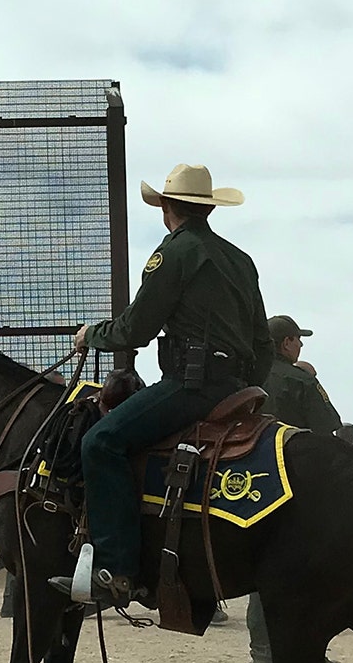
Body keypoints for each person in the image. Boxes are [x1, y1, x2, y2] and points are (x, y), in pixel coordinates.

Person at [47, 164, 271, 611]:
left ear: (167, 208)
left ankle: (117, 569)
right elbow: (262, 343)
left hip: (192, 386)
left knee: (101, 442)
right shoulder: (240, 260)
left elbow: (136, 328)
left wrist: (90, 335)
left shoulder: (174, 253)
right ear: (206, 208)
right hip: (236, 388)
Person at [247, 315, 343, 663]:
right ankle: (305, 652)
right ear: (286, 344)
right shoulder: (299, 379)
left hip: (249, 481)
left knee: (260, 564)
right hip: (297, 482)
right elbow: (327, 429)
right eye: (297, 340)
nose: (301, 345)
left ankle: (263, 651)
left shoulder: (247, 376)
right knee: (307, 569)